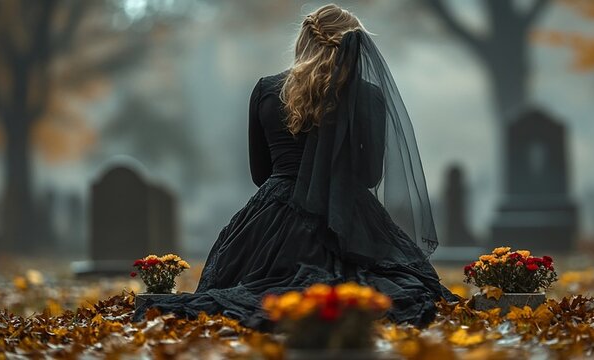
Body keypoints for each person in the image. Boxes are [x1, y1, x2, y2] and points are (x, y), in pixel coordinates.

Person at [134, 4, 456, 330]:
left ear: (304, 40)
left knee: (249, 288)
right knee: (387, 286)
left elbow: (260, 174)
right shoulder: (368, 95)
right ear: (353, 44)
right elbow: (371, 175)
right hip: (347, 214)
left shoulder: (266, 91)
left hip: (273, 216)